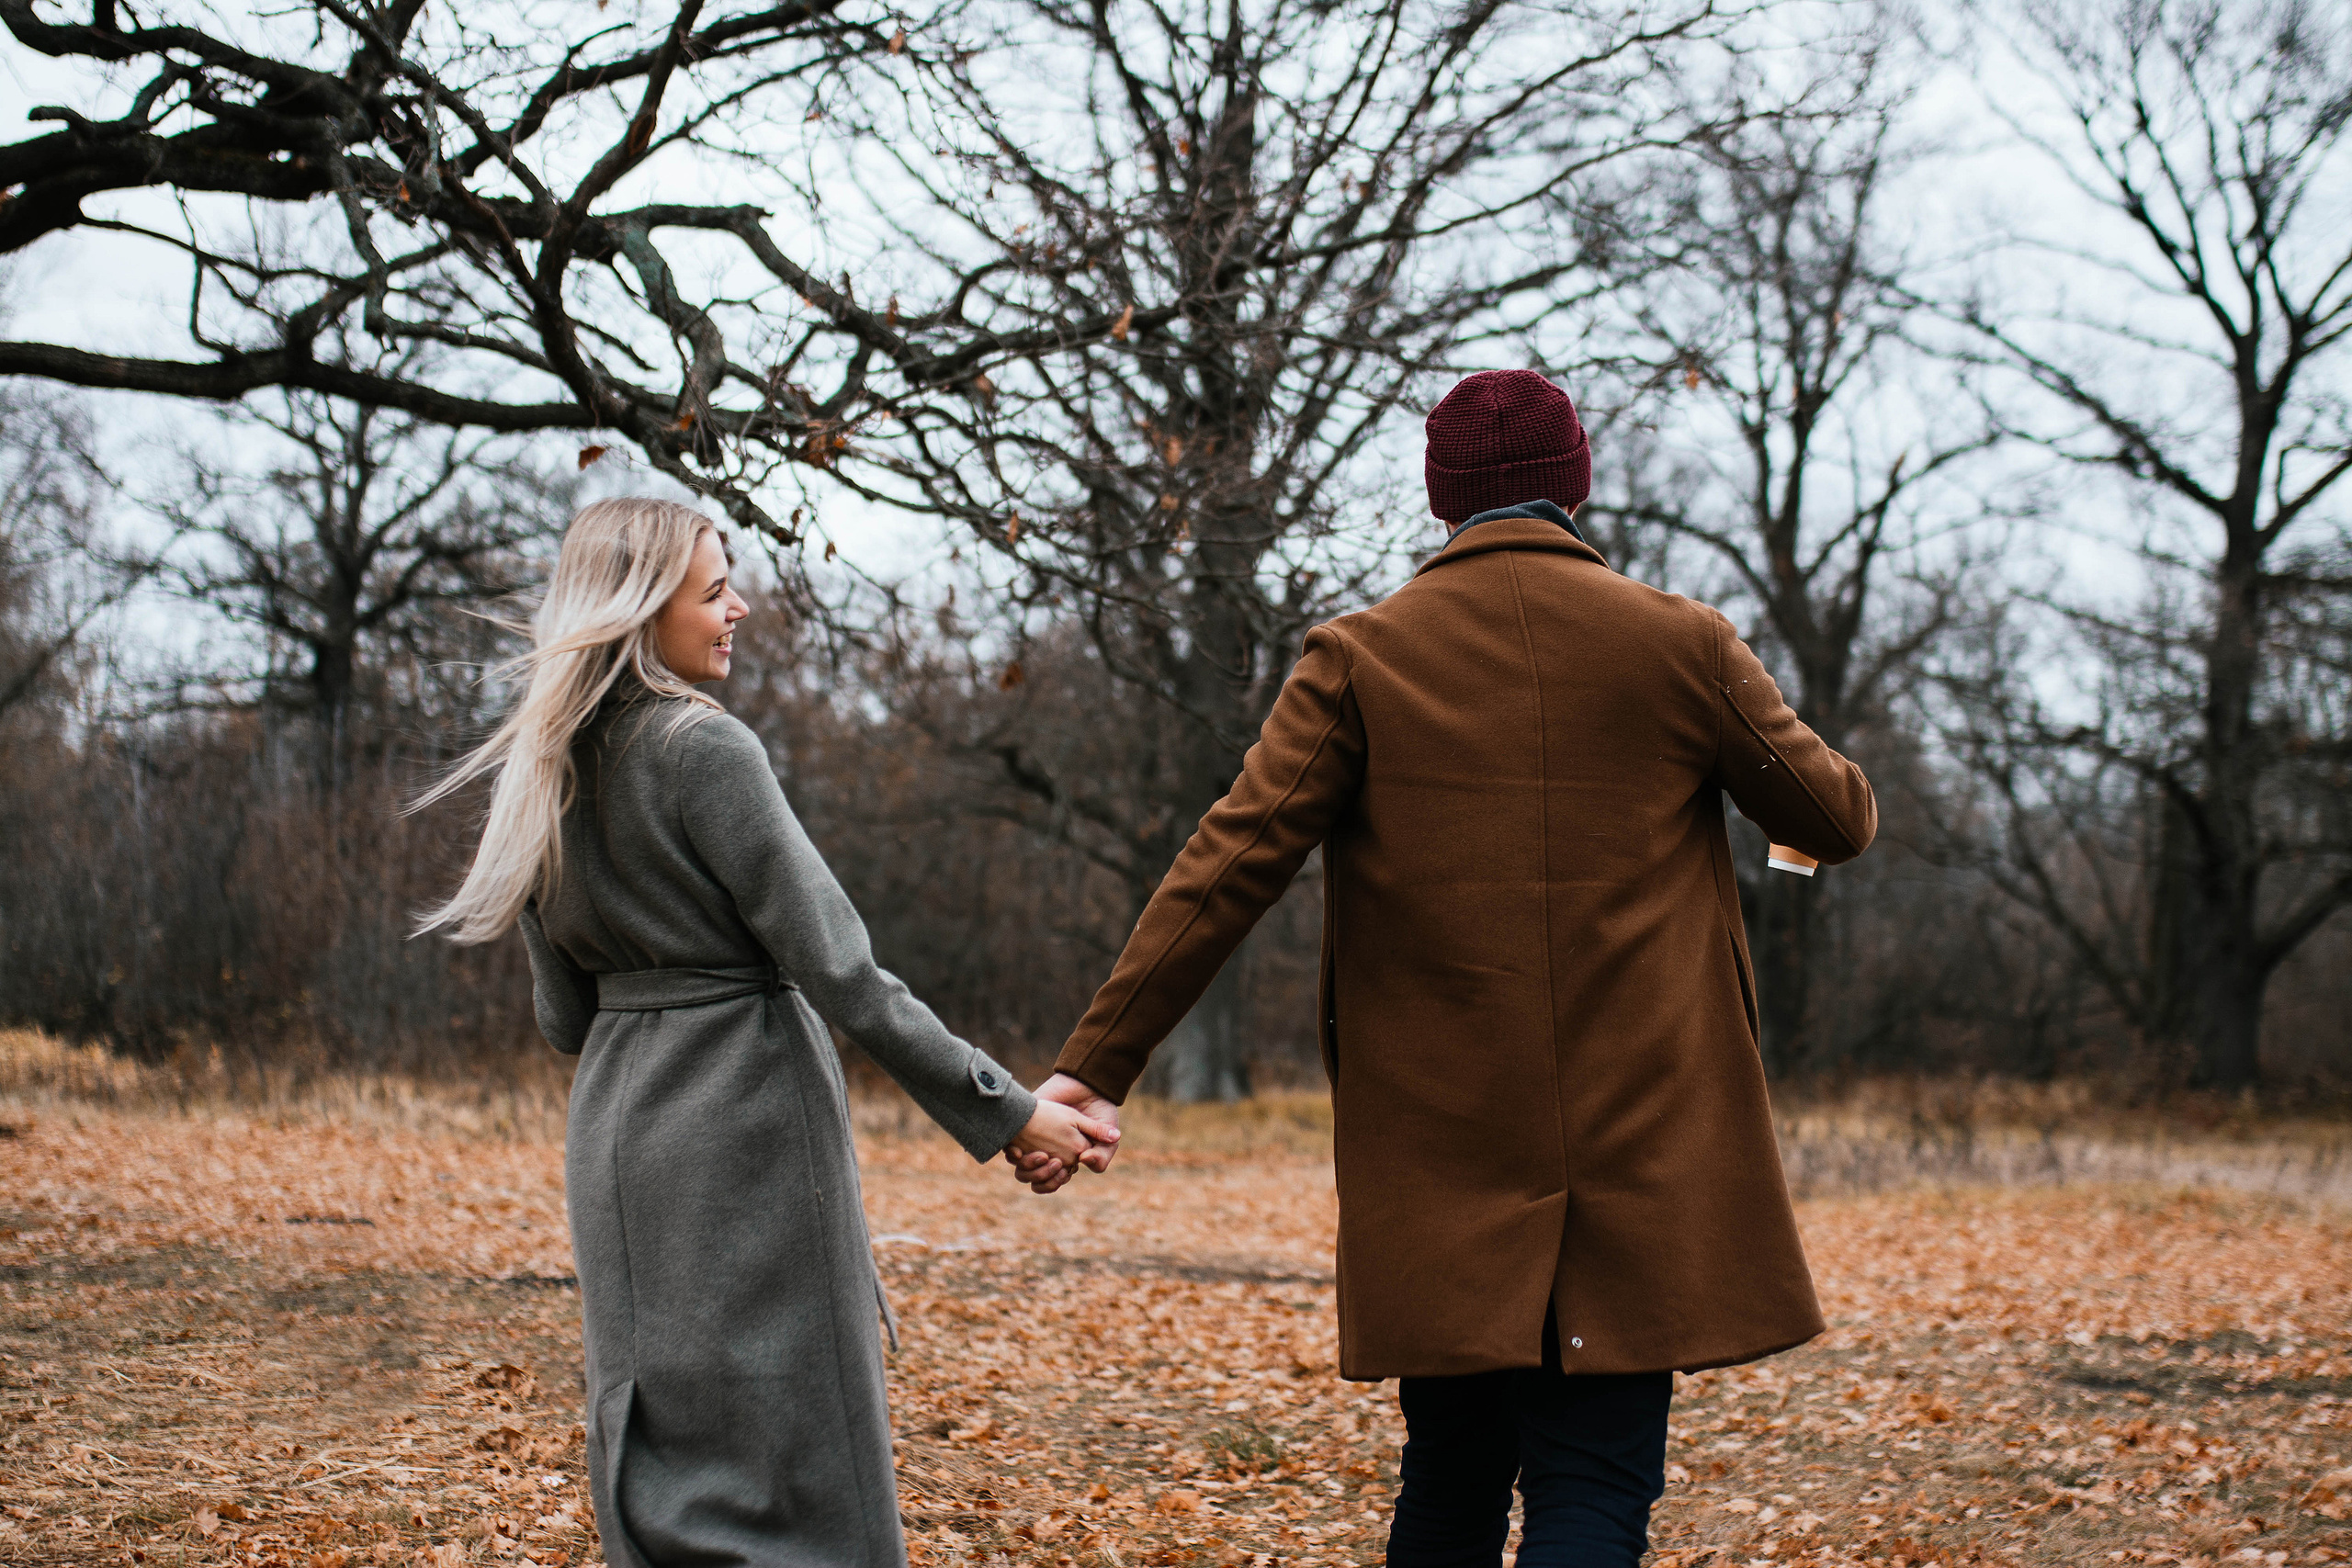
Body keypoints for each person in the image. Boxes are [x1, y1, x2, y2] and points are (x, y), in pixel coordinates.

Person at [1015, 371, 1877, 1567]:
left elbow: (1227, 863)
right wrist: (1749, 802)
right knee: (1594, 1480)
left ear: (1440, 496)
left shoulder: (1363, 656)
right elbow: (1835, 817)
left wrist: (1096, 1065)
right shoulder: (1683, 643)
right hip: (1641, 1142)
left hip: (1440, 1151)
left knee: (1453, 1476)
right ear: (1574, 480)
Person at [415, 498, 1115, 1568]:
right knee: (800, 1454)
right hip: (747, 1124)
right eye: (712, 591)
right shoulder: (705, 749)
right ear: (643, 610)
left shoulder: (542, 764)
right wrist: (1009, 1111)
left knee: (667, 1439)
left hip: (616, 1136)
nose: (736, 608)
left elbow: (565, 1017)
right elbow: (843, 971)